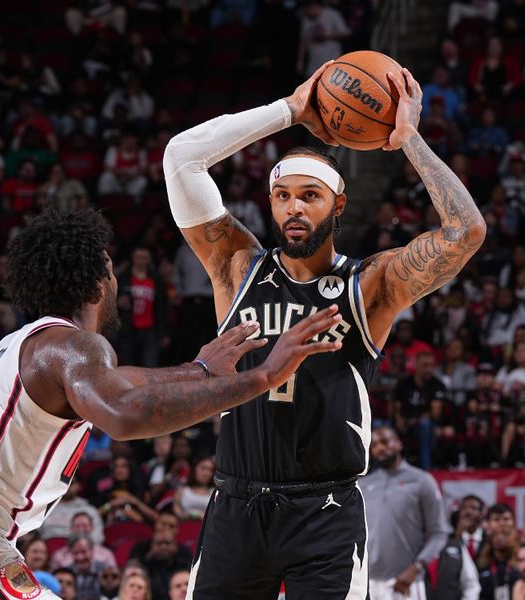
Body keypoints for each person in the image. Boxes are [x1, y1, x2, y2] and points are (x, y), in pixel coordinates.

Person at [0, 208, 343, 599]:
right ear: (100, 280)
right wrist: (263, 376)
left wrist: (198, 369)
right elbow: (124, 413)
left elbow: (123, 383)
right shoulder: (77, 345)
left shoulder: (26, 347)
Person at [164, 62, 486, 598]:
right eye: (282, 195)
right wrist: (289, 110)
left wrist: (407, 139)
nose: (293, 207)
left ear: (337, 204)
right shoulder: (237, 267)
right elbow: (182, 157)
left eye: (309, 196)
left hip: (327, 511)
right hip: (237, 504)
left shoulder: (369, 285)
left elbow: (465, 230)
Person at [362, 426, 449, 599]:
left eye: (385, 442)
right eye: (375, 445)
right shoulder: (364, 485)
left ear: (399, 444)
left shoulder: (422, 481)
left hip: (405, 582)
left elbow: (439, 533)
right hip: (368, 582)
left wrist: (416, 567)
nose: (380, 448)